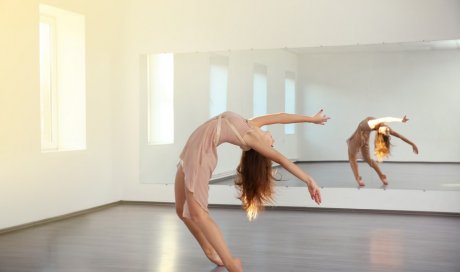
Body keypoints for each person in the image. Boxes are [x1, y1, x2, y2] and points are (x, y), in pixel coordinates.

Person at [175, 110, 329, 272]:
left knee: (199, 215)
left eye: (271, 145)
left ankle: (231, 264)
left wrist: (308, 179)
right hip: (191, 148)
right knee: (181, 209)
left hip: (200, 154)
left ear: (261, 149)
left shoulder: (252, 138)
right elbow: (280, 117)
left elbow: (281, 159)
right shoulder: (251, 125)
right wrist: (311, 119)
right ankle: (210, 250)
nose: (273, 139)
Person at [347, 115, 419, 187]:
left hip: (359, 139)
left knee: (352, 157)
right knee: (367, 159)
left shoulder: (374, 124)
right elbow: (397, 133)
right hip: (364, 139)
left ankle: (358, 178)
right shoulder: (376, 124)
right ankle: (382, 176)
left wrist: (412, 144)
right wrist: (412, 144)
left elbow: (389, 122)